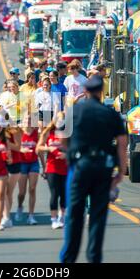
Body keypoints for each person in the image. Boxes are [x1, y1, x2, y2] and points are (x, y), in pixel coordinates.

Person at [60, 75, 127, 263]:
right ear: (101, 92)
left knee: (74, 214)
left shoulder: (75, 111)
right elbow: (122, 144)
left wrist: (70, 155)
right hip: (103, 168)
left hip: (80, 166)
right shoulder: (110, 114)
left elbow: (62, 138)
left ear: (86, 91)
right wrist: (121, 172)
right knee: (98, 217)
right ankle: (94, 258)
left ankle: (69, 259)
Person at [37, 112, 68, 230]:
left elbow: (75, 148)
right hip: (51, 167)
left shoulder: (67, 134)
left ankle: (62, 216)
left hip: (65, 167)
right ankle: (54, 219)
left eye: (62, 119)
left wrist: (66, 155)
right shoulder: (48, 133)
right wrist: (48, 148)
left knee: (64, 194)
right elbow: (38, 148)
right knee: (54, 193)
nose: (60, 121)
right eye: (58, 119)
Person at [16, 116, 40, 225]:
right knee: (21, 192)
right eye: (25, 120)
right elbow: (15, 147)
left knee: (32, 188)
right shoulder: (19, 133)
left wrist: (45, 166)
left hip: (34, 163)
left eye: (29, 120)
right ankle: (20, 205)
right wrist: (21, 149)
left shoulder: (36, 133)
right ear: (22, 122)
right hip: (22, 163)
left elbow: (39, 150)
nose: (27, 122)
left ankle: (31, 215)